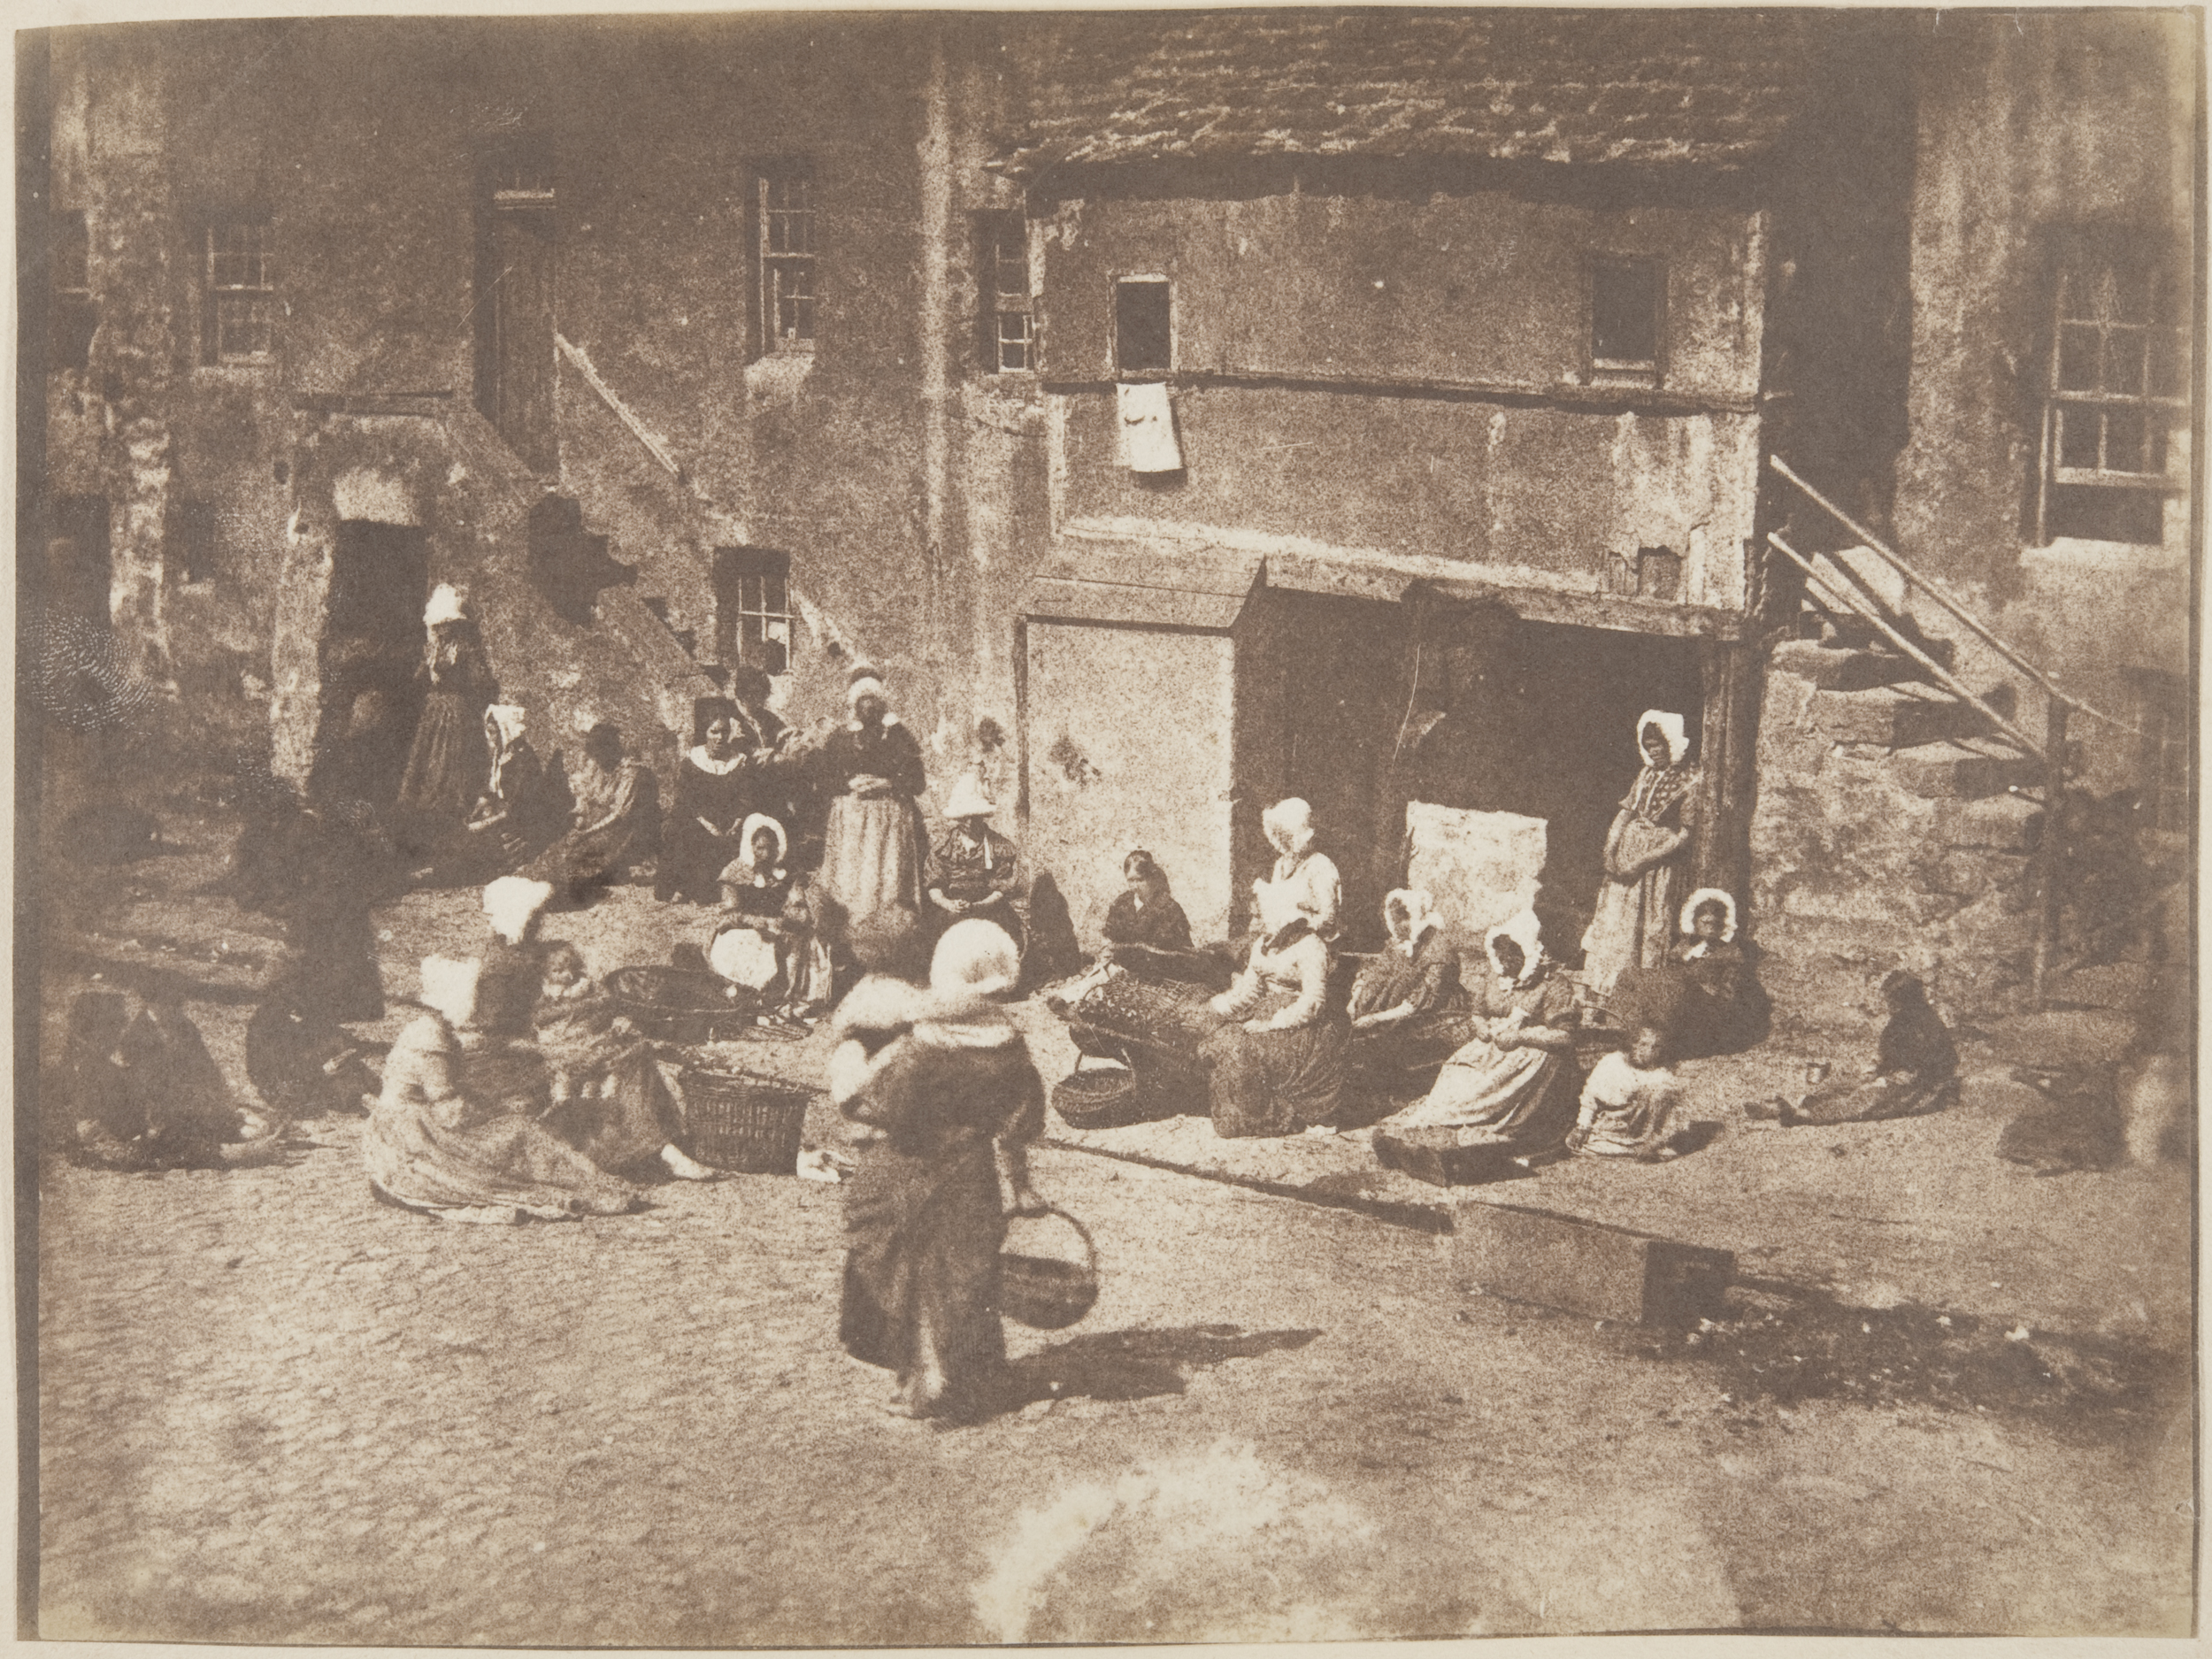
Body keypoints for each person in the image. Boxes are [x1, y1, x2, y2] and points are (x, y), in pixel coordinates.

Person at [837, 920, 1049, 1423]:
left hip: (907, 1168)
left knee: (905, 1272)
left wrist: (850, 1078)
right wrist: (1019, 1182)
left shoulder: (928, 1043)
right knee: (964, 1276)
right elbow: (1022, 1119)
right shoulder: (1009, 1042)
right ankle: (968, 1382)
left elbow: (884, 1108)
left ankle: (920, 1385)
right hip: (971, 1174)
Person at [362, 955, 644, 1223]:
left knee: (520, 1126)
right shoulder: (431, 1040)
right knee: (519, 1131)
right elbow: (451, 1112)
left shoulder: (431, 1027)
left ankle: (590, 1179)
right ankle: (595, 1186)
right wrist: (501, 1109)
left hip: (412, 1122)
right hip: (415, 1134)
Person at [1372, 910, 1579, 1152]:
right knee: (1455, 1074)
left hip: (1529, 1051)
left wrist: (1521, 1036)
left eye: (1512, 954)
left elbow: (1565, 1036)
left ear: (1527, 951)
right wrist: (1481, 1027)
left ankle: (1461, 1123)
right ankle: (1438, 1117)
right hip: (1490, 1045)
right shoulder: (1495, 976)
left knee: (1482, 1090)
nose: (1504, 960)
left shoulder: (1552, 983)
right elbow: (1478, 1012)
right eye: (1500, 953)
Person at [532, 941, 717, 1181]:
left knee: (636, 1051)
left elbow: (607, 1008)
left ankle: (661, 1146)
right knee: (616, 1062)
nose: (568, 975)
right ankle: (662, 1150)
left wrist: (617, 1019)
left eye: (572, 968)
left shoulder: (584, 985)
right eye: (558, 970)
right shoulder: (541, 994)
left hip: (589, 1042)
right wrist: (583, 1008)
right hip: (560, 1050)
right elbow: (540, 1020)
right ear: (545, 972)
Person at [59, 986, 279, 1171]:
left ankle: (239, 1136)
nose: (120, 1032)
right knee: (186, 1142)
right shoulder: (85, 1068)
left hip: (147, 1130)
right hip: (132, 1143)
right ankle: (241, 1150)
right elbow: (95, 1136)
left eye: (120, 1024)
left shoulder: (96, 1062)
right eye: (115, 1024)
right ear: (95, 1029)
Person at [1197, 892, 1348, 1139]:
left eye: (1260, 917)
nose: (1254, 924)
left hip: (1306, 1026)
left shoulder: (1311, 946)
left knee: (1244, 1049)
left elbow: (1314, 1002)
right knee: (1222, 1041)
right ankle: (1237, 1117)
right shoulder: (1263, 945)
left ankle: (1275, 1116)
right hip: (1267, 1013)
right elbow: (1249, 992)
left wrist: (1271, 1024)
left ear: (1281, 916)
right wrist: (1213, 1008)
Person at [1580, 710, 1699, 998]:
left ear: (1672, 742)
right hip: (1627, 857)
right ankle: (1601, 988)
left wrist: (1644, 861)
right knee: (1615, 920)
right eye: (1648, 745)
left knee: (1644, 926)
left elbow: (1685, 835)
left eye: (1659, 743)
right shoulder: (1645, 774)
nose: (1653, 750)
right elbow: (1625, 813)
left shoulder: (1691, 780)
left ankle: (1630, 994)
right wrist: (1610, 851)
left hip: (1656, 865)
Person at [1749, 970, 1958, 1126]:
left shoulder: (1927, 1022)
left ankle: (1805, 1116)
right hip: (1894, 1075)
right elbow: (1887, 1056)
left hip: (1921, 1086)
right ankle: (1791, 1105)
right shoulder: (1899, 1022)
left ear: (1906, 998)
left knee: (1866, 1098)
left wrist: (1901, 1075)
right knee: (1844, 1084)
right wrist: (1874, 1071)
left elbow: (1940, 1063)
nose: (1888, 1004)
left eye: (1892, 999)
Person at [816, 665, 928, 947]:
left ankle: (887, 943)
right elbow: (824, 779)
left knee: (885, 883)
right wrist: (849, 786)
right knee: (853, 881)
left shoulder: (898, 735)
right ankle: (849, 942)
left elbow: (917, 781)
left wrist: (887, 784)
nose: (868, 710)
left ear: (881, 705)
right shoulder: (840, 737)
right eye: (862, 704)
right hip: (852, 821)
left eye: (874, 703)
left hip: (887, 822)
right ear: (854, 705)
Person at [394, 584, 499, 862]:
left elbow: (482, 681)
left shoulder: (464, 648)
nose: (442, 630)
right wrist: (425, 665)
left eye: (447, 624)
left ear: (456, 624)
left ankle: (450, 831)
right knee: (428, 765)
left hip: (455, 711)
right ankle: (425, 834)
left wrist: (465, 677)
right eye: (439, 625)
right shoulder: (434, 649)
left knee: (452, 767)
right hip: (434, 710)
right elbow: (417, 679)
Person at [1608, 887, 1763, 1059]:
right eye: (1706, 923)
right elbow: (1670, 972)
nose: (1711, 929)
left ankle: (1661, 1040)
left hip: (1706, 1010)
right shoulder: (1685, 946)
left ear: (1723, 925)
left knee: (1675, 986)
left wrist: (1703, 987)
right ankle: (1627, 1031)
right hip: (1678, 996)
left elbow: (1727, 996)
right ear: (1695, 922)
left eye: (1715, 925)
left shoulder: (1730, 954)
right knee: (1630, 975)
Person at [524, 719, 661, 906]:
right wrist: (579, 822)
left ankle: (563, 889)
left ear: (611, 749)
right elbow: (587, 799)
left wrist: (587, 833)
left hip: (621, 831)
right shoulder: (597, 766)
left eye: (600, 754)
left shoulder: (632, 773)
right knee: (559, 850)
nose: (597, 760)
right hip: (596, 824)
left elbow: (619, 815)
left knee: (581, 858)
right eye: (594, 755)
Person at [710, 815, 833, 1015]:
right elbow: (729, 914)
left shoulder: (787, 872)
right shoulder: (735, 871)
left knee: (804, 940)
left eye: (771, 848)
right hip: (743, 928)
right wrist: (753, 921)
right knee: (755, 944)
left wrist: (788, 919)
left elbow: (797, 904)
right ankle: (754, 995)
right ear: (750, 846)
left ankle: (792, 997)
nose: (766, 854)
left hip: (779, 924)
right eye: (760, 848)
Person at [246, 948, 376, 1120]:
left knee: (340, 1048)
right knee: (339, 1064)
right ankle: (355, 1099)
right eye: (291, 988)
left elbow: (321, 1031)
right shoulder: (267, 1024)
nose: (297, 993)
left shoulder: (284, 1013)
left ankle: (364, 1094)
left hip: (299, 1075)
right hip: (284, 1089)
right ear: (278, 989)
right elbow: (280, 1070)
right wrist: (322, 1071)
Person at [657, 697, 761, 905]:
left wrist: (735, 824)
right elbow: (686, 802)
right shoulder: (692, 762)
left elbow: (746, 800)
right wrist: (708, 825)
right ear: (705, 733)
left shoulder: (739, 762)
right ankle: (685, 887)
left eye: (724, 731)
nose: (720, 737)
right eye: (714, 732)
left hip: (732, 825)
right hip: (700, 822)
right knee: (680, 830)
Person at [456, 703, 556, 881]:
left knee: (475, 851)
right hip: (501, 815)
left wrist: (482, 824)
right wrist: (474, 814)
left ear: (505, 730)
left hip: (520, 822)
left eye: (494, 732)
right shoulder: (501, 756)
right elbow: (491, 792)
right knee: (460, 840)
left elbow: (514, 808)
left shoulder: (524, 761)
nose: (490, 737)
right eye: (488, 731)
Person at [926, 772, 1023, 947]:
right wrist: (948, 904)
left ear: (982, 816)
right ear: (957, 818)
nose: (970, 823)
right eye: (965, 818)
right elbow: (934, 886)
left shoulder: (999, 846)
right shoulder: (943, 847)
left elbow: (1001, 889)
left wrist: (979, 906)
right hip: (952, 907)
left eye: (975, 817)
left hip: (988, 906)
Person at [1570, 1023, 1683, 1160]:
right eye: (1643, 1044)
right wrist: (1583, 1126)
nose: (1648, 1051)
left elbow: (1672, 1116)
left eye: (1656, 1047)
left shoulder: (1662, 1075)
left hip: (1642, 1133)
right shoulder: (1612, 1062)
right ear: (1632, 1044)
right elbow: (1590, 1097)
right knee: (1579, 1143)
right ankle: (1630, 1150)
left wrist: (1655, 1142)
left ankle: (1646, 1148)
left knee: (1661, 1092)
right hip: (1610, 1129)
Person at [1251, 797, 1341, 942]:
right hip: (1281, 940)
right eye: (1280, 835)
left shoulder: (1320, 866)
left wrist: (1298, 927)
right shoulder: (1280, 865)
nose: (1283, 841)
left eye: (1288, 836)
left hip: (1311, 941)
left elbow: (1328, 918)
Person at [1100, 849, 1194, 958]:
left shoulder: (1169, 908)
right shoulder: (1121, 903)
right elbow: (1109, 938)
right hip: (1121, 966)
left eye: (1139, 880)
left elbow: (1181, 953)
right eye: (1130, 880)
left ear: (1151, 878)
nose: (1134, 886)